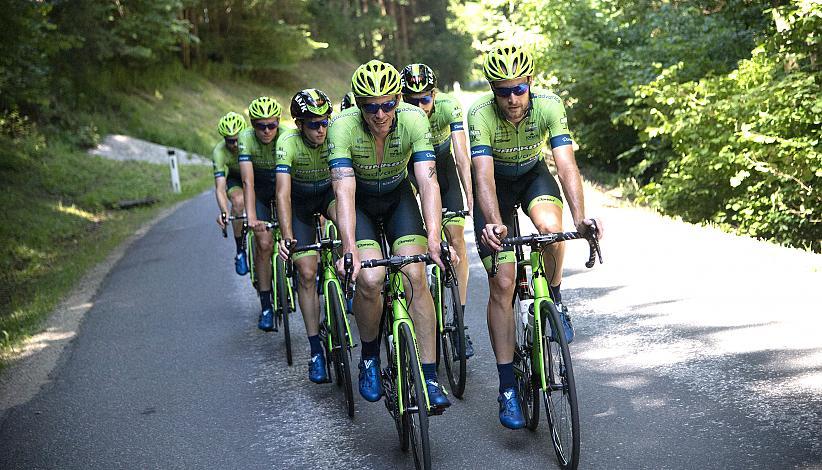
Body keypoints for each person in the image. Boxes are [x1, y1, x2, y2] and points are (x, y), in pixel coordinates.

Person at [468, 44, 603, 429]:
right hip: (495, 187)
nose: (511, 98)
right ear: (493, 90)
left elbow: (565, 163)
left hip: (531, 176)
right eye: (502, 90)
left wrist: (580, 217)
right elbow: (482, 177)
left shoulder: (549, 104)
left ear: (530, 83)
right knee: (504, 282)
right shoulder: (480, 113)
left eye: (518, 89)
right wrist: (493, 222)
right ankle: (508, 386)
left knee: (551, 231)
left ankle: (555, 297)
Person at [328, 60, 451, 410]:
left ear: (398, 99)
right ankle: (368, 356)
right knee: (369, 279)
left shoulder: (414, 118)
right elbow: (344, 189)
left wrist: (433, 237)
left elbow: (427, 181)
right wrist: (348, 246)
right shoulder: (342, 127)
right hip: (362, 204)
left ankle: (428, 376)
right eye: (370, 106)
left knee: (415, 275)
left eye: (386, 104)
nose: (379, 114)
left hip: (398, 198)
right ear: (358, 104)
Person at [400, 63, 475, 358]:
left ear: (434, 95)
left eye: (424, 99)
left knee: (456, 239)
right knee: (413, 242)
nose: (418, 106)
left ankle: (458, 323)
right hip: (409, 170)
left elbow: (461, 154)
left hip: (442, 170)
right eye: (411, 100)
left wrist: (471, 197)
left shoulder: (448, 107)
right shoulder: (399, 117)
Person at [275, 88, 337, 383]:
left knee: (345, 223)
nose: (321, 128)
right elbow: (283, 194)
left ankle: (348, 285)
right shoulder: (287, 143)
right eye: (314, 124)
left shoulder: (334, 134)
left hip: (327, 196)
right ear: (299, 124)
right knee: (307, 272)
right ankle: (315, 351)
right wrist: (286, 236)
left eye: (325, 121)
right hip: (299, 204)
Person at [239, 96, 285, 331]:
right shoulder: (246, 139)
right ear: (252, 125)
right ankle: (266, 306)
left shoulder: (286, 136)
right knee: (264, 244)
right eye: (260, 125)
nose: (266, 131)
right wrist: (250, 217)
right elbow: (247, 181)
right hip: (260, 191)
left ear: (278, 122)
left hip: (282, 189)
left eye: (271, 125)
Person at [213, 112, 249, 275]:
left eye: (237, 139)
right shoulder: (219, 152)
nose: (234, 144)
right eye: (230, 141)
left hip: (255, 174)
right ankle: (240, 249)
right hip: (235, 178)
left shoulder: (251, 141)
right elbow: (220, 188)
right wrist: (225, 211)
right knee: (238, 202)